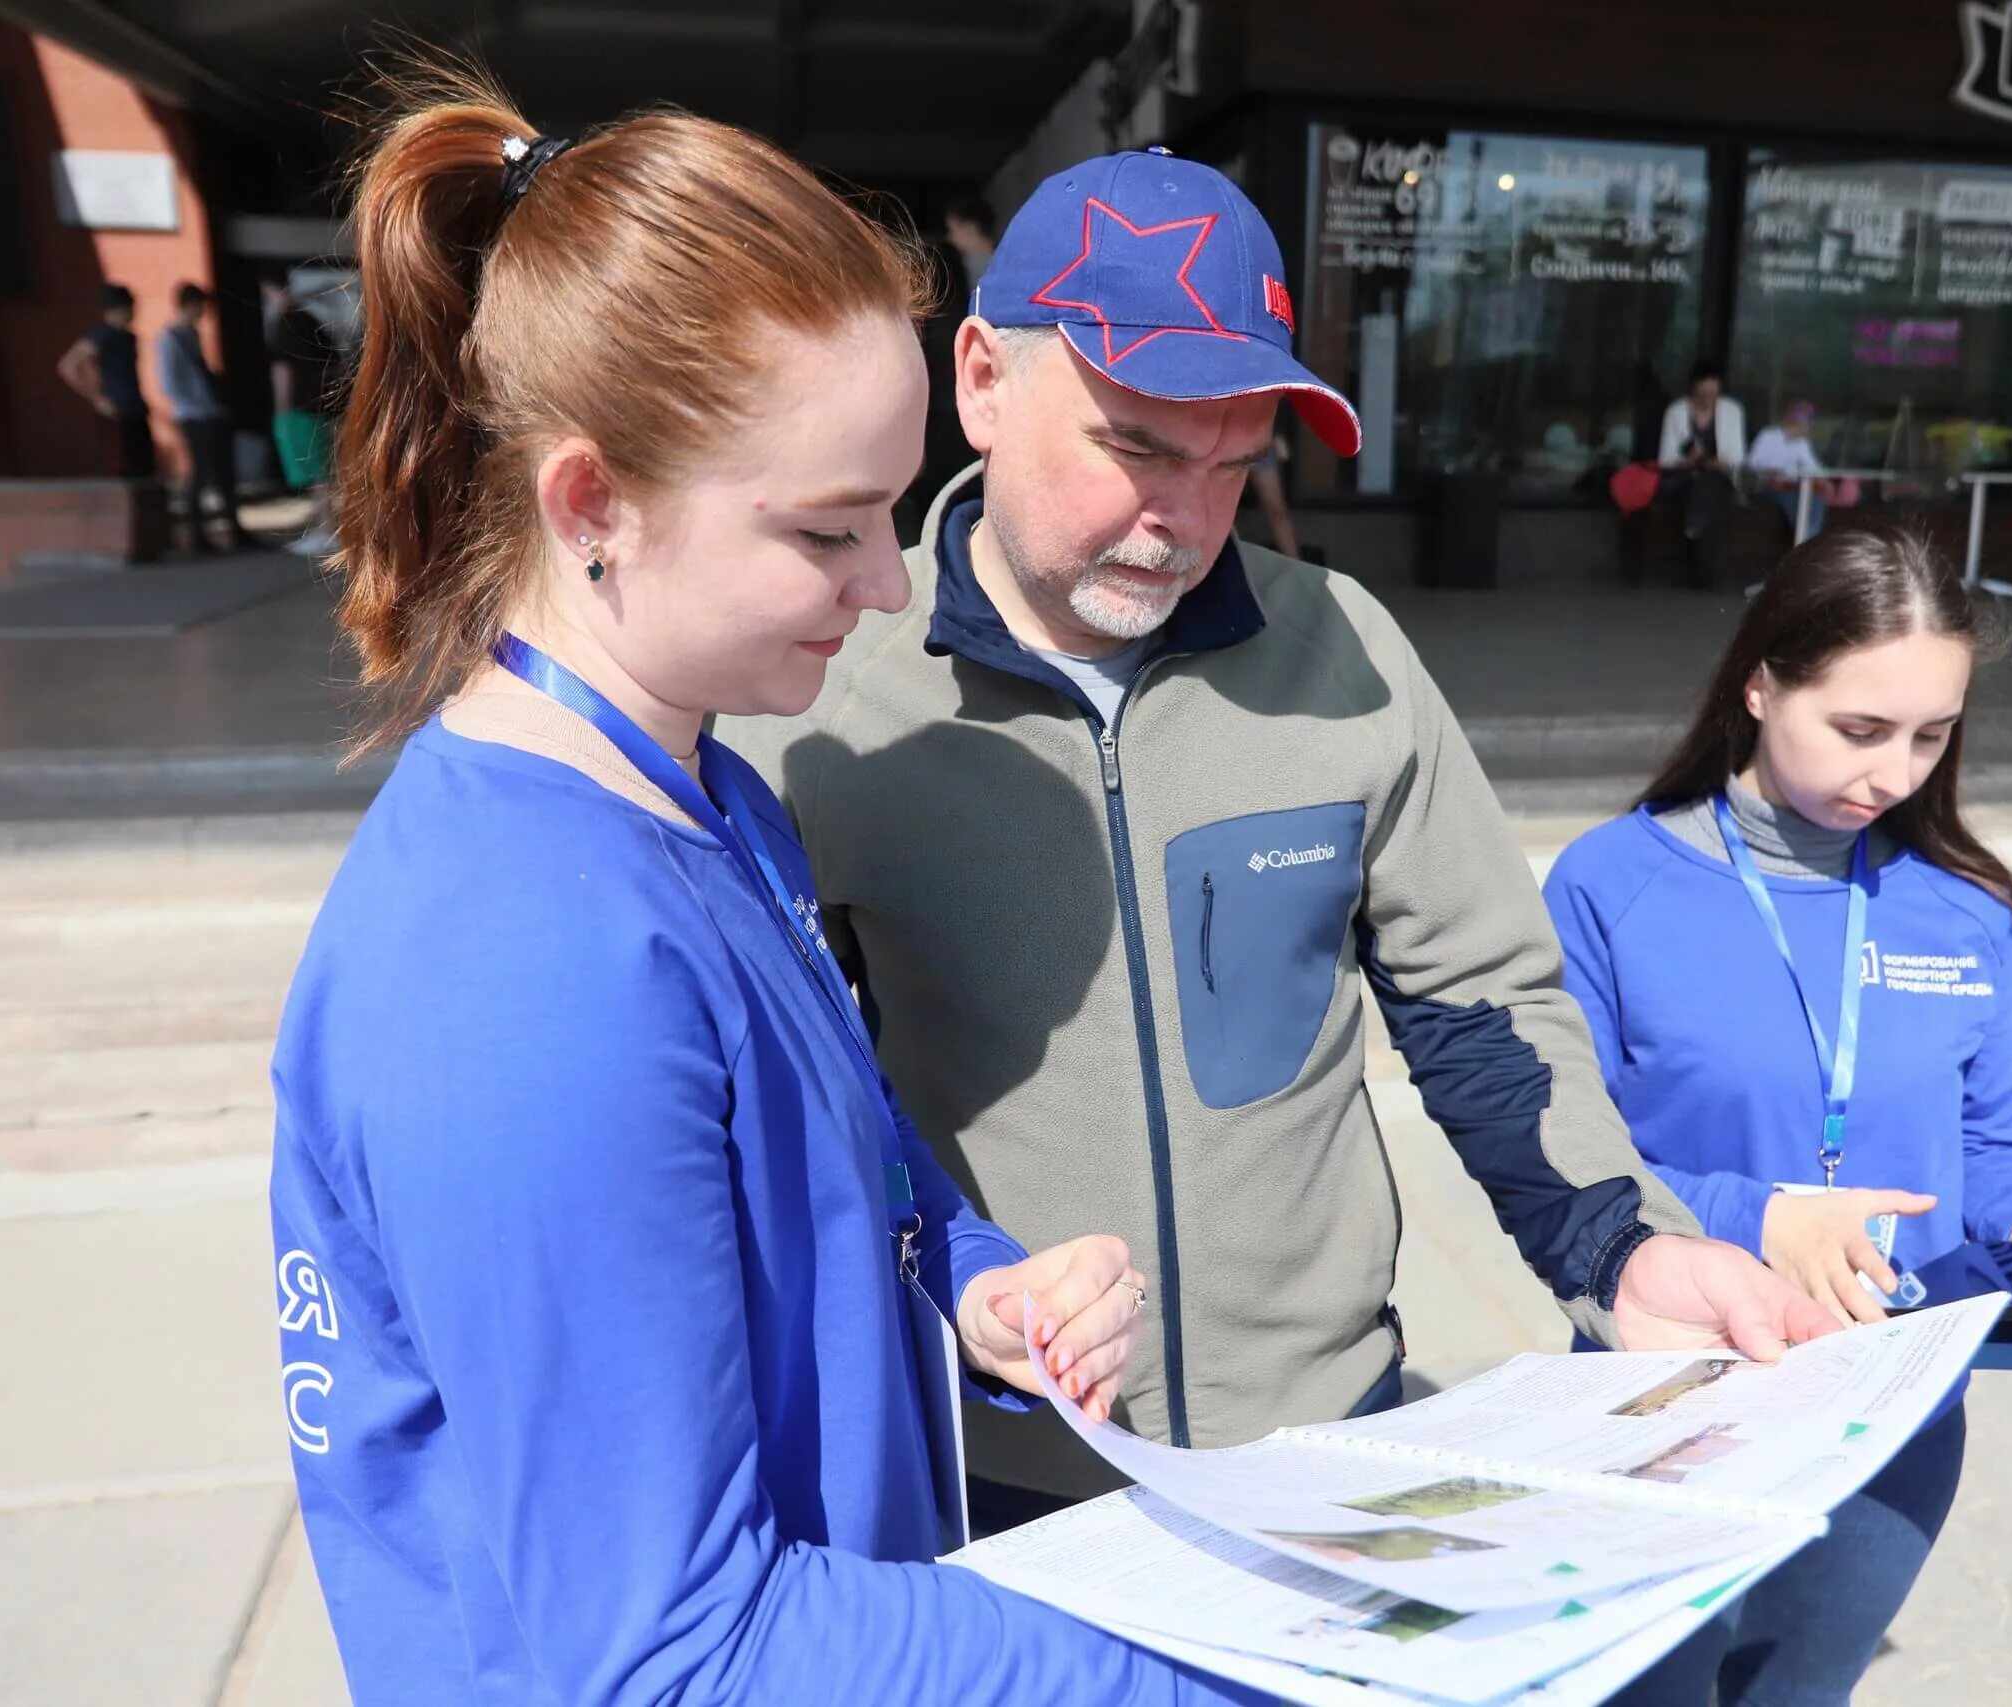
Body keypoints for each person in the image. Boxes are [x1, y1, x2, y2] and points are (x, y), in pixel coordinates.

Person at [270, 75, 1267, 1706]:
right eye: (829, 529)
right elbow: (672, 1650)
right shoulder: (520, 966)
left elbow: (842, 1174)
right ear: (596, 504)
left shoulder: (716, 799)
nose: (888, 585)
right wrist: (1224, 1667)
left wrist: (970, 1278)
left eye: (890, 512)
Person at [735, 148, 1835, 1547]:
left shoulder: (1348, 655)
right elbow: (796, 1111)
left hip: (1333, 1451)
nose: (1186, 520)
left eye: (1234, 463)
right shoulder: (825, 701)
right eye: (1134, 444)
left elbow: (1480, 1004)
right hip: (998, 1478)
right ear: (982, 382)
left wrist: (1616, 1249)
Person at [1542, 524, 2012, 1704]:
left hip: (1894, 1409)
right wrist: (1757, 1215)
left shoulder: (1960, 911)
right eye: (1860, 729)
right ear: (1761, 683)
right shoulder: (1609, 886)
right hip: (1672, 1397)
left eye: (1932, 735)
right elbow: (1570, 1163)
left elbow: (1992, 1150)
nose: (1895, 773)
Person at [157, 283, 257, 552]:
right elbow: (169, 382)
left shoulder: (192, 334)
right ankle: (195, 534)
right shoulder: (169, 338)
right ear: (189, 305)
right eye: (200, 307)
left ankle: (233, 529)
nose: (202, 313)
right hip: (194, 415)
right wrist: (194, 402)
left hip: (212, 412)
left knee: (224, 473)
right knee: (201, 473)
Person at [262, 271, 342, 556]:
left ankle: (327, 531)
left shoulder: (285, 324)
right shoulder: (313, 321)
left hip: (299, 408)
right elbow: (336, 360)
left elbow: (282, 369)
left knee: (316, 474)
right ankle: (327, 529)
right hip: (325, 405)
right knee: (326, 472)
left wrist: (281, 410)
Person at [1657, 361, 1747, 589]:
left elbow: (1737, 456)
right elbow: (1665, 458)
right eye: (1702, 393)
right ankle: (1710, 574)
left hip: (1719, 475)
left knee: (1709, 485)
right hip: (1684, 476)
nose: (1707, 398)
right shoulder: (1676, 412)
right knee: (1704, 491)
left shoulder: (1732, 410)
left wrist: (1716, 461)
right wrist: (1688, 460)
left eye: (1712, 393)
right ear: (1693, 390)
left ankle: (1694, 528)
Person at [56, 283, 154, 479]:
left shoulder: (127, 337)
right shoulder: (102, 335)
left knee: (145, 468)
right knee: (123, 468)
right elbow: (68, 365)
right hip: (116, 410)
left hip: (134, 406)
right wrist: (97, 398)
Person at [1748, 399, 1828, 542]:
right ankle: (1805, 539)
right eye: (1807, 424)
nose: (1809, 428)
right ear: (1796, 423)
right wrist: (1776, 471)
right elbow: (1752, 463)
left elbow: (1814, 468)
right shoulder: (1769, 436)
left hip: (1795, 487)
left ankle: (1810, 538)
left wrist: (1821, 478)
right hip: (1767, 487)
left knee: (1815, 498)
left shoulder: (1803, 443)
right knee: (1794, 498)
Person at [944, 189, 998, 299]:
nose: (950, 238)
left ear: (970, 228)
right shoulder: (970, 266)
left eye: (952, 230)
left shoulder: (990, 267)